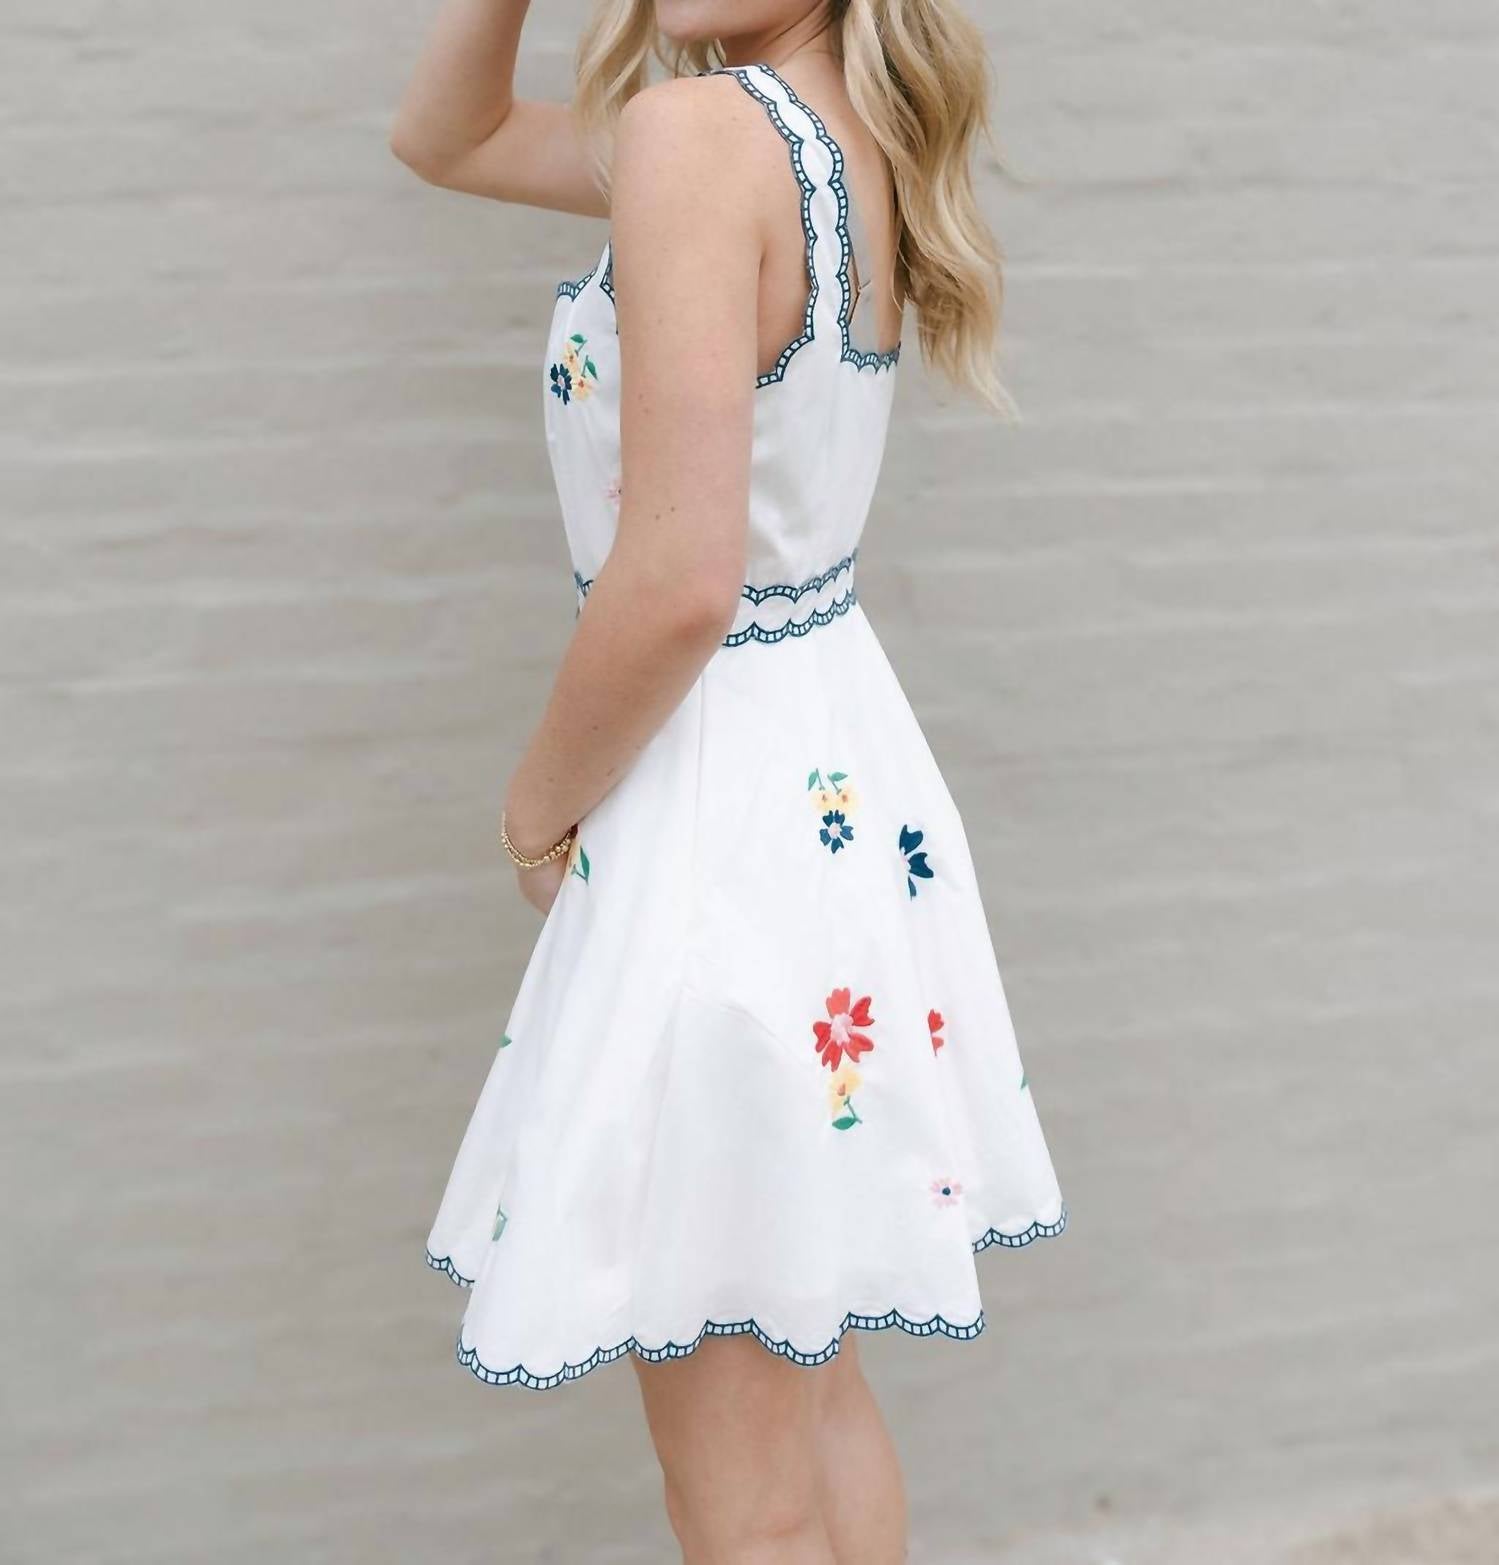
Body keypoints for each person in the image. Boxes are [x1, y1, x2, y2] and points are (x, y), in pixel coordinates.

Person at [393, 3, 1067, 1559]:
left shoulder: (700, 140)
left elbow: (682, 579)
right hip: (827, 780)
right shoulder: (844, 137)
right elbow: (448, 136)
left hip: (719, 817)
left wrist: (535, 806)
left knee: (739, 1492)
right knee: (810, 1392)